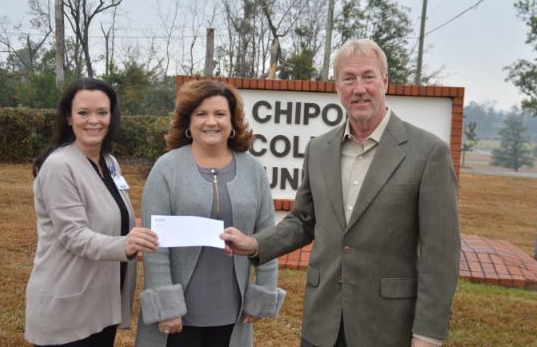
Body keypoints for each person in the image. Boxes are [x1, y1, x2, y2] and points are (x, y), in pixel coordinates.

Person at [222, 38, 461, 347]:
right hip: (323, 324)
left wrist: (427, 334)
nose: (358, 88)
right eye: (348, 79)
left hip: (388, 328)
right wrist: (254, 243)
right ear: (337, 87)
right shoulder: (319, 149)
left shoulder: (428, 153)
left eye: (368, 77)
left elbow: (440, 254)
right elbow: (304, 220)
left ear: (385, 81)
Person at [135, 80, 285, 347]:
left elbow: (267, 238)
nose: (211, 122)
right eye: (201, 114)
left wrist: (262, 293)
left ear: (232, 121)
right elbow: (155, 245)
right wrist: (165, 305)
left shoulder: (253, 171)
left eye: (219, 114)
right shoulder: (166, 169)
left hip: (232, 312)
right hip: (179, 316)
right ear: (188, 122)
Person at [24, 78, 159, 347]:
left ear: (112, 116)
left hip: (100, 304)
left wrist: (141, 230)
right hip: (66, 307)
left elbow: (111, 217)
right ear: (69, 118)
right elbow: (73, 234)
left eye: (102, 112)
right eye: (83, 113)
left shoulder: (108, 162)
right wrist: (127, 244)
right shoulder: (60, 166)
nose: (93, 120)